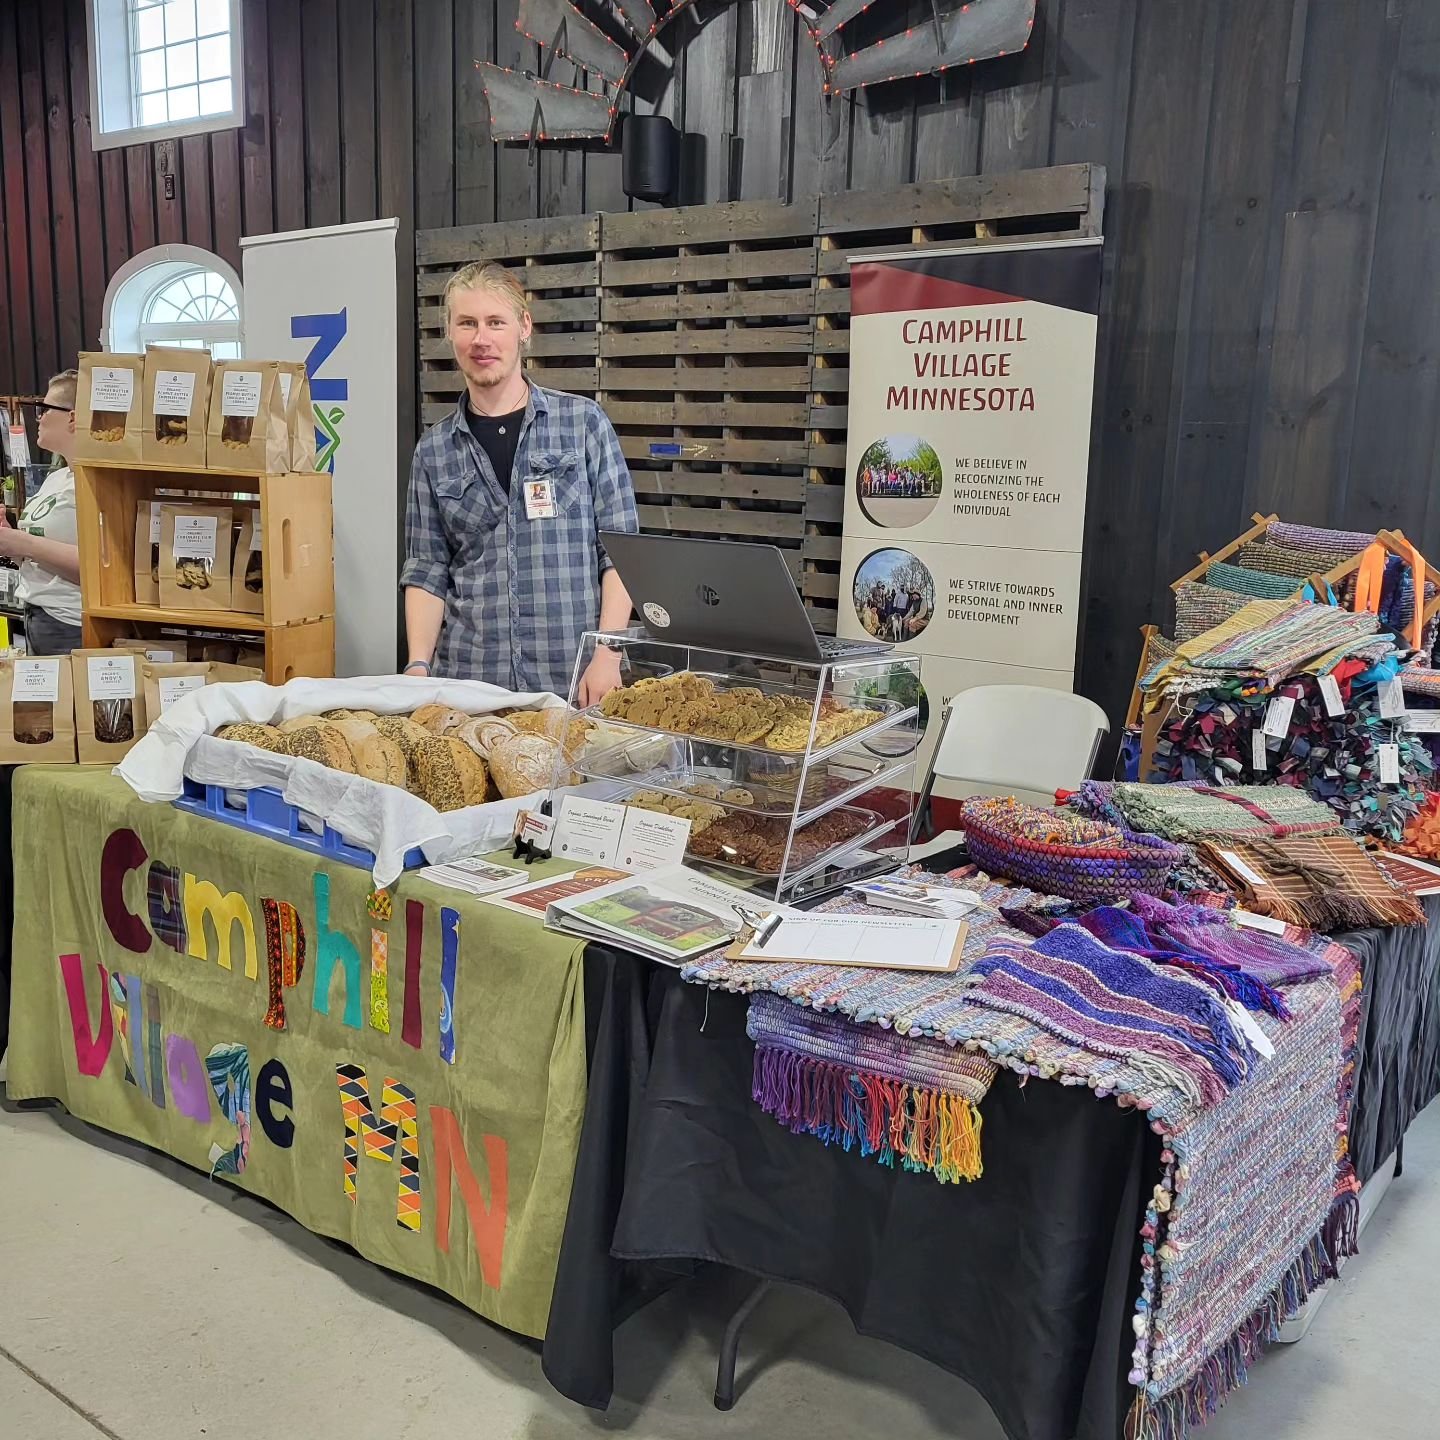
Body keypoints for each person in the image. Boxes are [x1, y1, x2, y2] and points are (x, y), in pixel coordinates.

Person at [401, 262, 638, 702]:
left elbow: (621, 550)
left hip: (573, 680)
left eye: (495, 322)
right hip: (469, 685)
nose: (481, 339)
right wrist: (418, 664)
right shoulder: (434, 451)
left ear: (523, 327)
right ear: (450, 333)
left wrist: (608, 652)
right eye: (467, 323)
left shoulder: (583, 424)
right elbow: (427, 568)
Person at [0, 370, 82, 656]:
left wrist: (22, 543)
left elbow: (99, 567)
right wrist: (11, 539)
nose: (39, 417)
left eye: (45, 409)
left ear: (72, 417)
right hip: (38, 615)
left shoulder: (97, 485)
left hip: (71, 623)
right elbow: (37, 552)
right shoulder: (57, 477)